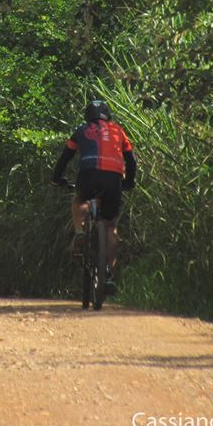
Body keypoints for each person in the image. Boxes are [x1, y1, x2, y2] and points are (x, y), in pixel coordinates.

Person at [51, 99, 137, 296]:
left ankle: (80, 231)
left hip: (88, 175)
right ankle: (107, 273)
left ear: (87, 115)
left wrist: (57, 179)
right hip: (113, 178)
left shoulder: (81, 130)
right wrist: (129, 182)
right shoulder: (118, 131)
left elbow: (65, 157)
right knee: (110, 226)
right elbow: (131, 160)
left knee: (80, 200)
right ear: (108, 115)